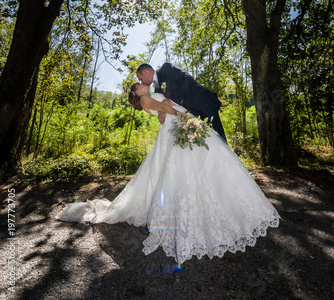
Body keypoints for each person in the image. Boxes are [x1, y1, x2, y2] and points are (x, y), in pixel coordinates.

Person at [56, 85, 280, 266]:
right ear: (137, 92)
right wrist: (185, 118)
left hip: (176, 126)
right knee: (185, 166)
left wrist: (171, 110)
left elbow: (163, 106)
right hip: (178, 125)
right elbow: (165, 107)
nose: (143, 86)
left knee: (202, 162)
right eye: (139, 86)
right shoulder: (145, 99)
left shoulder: (151, 95)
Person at [137, 62, 227, 142]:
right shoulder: (156, 89)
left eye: (141, 79)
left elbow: (187, 79)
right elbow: (163, 105)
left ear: (145, 72)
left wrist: (171, 100)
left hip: (203, 104)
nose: (142, 82)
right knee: (207, 142)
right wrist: (162, 112)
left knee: (219, 138)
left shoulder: (166, 68)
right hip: (190, 116)